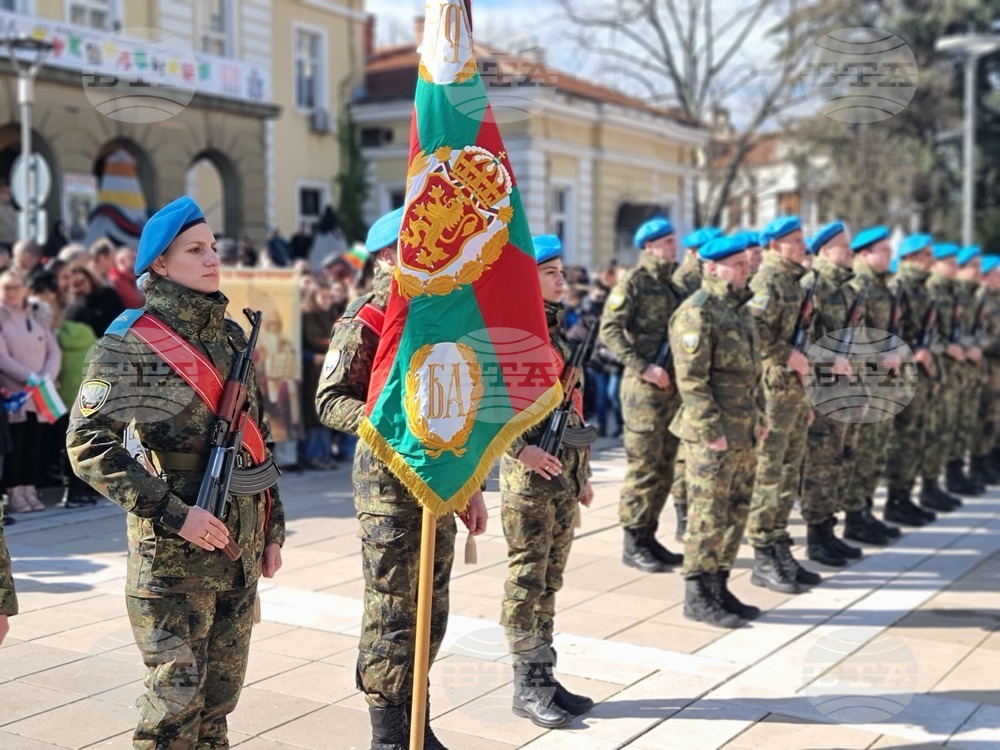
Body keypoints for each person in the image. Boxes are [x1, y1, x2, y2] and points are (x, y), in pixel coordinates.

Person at [67, 196, 285, 750]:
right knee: (171, 714)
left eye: (213, 246)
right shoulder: (132, 343)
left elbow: (255, 441)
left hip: (237, 549)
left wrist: (272, 528)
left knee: (218, 706)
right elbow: (87, 444)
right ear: (159, 264)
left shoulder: (230, 336)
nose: (213, 258)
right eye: (195, 249)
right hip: (173, 559)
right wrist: (173, 513)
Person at [316, 206, 488, 750]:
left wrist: (470, 483)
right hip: (387, 489)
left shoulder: (440, 317)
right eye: (420, 244)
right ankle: (389, 734)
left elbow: (454, 410)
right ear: (387, 255)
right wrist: (390, 428)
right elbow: (329, 400)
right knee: (393, 611)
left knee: (431, 610)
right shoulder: (367, 317)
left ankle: (419, 721)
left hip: (436, 483)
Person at [500, 235, 595, 729]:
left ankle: (545, 677)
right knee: (526, 582)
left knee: (549, 583)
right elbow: (492, 404)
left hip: (561, 480)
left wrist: (584, 475)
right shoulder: (514, 332)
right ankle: (526, 686)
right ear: (528, 279)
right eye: (552, 272)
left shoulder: (555, 335)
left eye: (562, 271)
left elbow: (573, 410)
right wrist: (521, 448)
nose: (563, 280)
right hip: (529, 483)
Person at [670, 233, 763, 628]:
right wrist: (711, 429)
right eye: (737, 265)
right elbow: (692, 380)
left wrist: (759, 420)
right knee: (707, 514)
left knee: (736, 510)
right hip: (712, 433)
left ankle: (719, 584)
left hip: (744, 429)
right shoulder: (698, 312)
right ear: (711, 268)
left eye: (746, 264)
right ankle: (697, 593)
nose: (746, 270)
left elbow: (752, 376)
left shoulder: (740, 310)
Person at [599, 217, 684, 573]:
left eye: (672, 241)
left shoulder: (675, 284)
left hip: (672, 389)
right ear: (648, 246)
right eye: (665, 242)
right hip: (644, 391)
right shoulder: (634, 282)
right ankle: (633, 540)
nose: (671, 247)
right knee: (645, 467)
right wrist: (642, 366)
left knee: (665, 468)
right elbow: (609, 329)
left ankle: (649, 535)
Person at [745, 215, 816, 594]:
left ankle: (778, 542)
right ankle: (762, 554)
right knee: (770, 473)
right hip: (771, 392)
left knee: (788, 474)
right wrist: (788, 355)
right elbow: (753, 330)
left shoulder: (795, 280)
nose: (802, 245)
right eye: (795, 239)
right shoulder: (767, 281)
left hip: (792, 392)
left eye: (803, 239)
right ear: (775, 245)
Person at [797, 223, 871, 564]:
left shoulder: (848, 290)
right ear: (824, 252)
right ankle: (816, 538)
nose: (850, 251)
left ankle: (829, 529)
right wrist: (831, 360)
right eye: (843, 246)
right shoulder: (812, 287)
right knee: (820, 466)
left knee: (842, 461)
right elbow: (799, 344)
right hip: (823, 390)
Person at [882, 233, 947, 524]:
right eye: (926, 255)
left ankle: (906, 494)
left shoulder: (924, 289)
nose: (931, 261)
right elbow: (890, 335)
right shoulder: (899, 286)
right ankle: (895, 499)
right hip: (900, 375)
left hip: (920, 373)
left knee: (915, 436)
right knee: (901, 438)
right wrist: (912, 350)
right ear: (910, 258)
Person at [27, 269, 99, 508]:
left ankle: (70, 491)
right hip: (85, 397)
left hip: (57, 397)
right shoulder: (90, 339)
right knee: (85, 445)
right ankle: (81, 490)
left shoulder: (55, 337)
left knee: (62, 445)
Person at [0, 269, 61, 513]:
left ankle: (30, 486)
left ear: (25, 289)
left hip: (39, 392)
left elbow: (53, 350)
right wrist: (31, 378)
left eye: (16, 287)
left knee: (35, 442)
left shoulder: (37, 314)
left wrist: (47, 377)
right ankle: (15, 491)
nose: (12, 292)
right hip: (14, 393)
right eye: (6, 287)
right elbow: (2, 358)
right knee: (16, 443)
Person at [300, 280, 344, 470]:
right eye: (323, 297)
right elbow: (302, 345)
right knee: (313, 416)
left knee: (326, 413)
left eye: (329, 297)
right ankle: (313, 455)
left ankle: (324, 453)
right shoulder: (305, 316)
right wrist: (313, 357)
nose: (328, 300)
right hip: (311, 374)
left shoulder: (329, 314)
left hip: (328, 371)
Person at [65, 263, 126, 337]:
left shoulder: (108, 294)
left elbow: (122, 316)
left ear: (89, 278)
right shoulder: (76, 311)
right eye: (76, 285)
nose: (82, 286)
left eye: (83, 281)